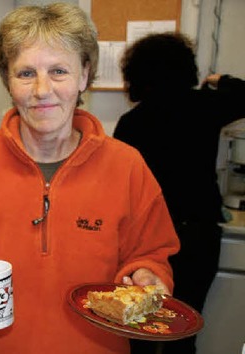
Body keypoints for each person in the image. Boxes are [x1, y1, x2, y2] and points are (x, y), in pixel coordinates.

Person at [0, 3, 180, 354]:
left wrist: (147, 276)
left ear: (84, 75)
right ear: (8, 79)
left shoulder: (127, 166)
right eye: (25, 74)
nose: (41, 90)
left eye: (59, 71)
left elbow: (153, 256)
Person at [113, 32, 245, 354]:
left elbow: (120, 187)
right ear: (186, 67)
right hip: (197, 234)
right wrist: (218, 79)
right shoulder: (206, 106)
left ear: (137, 74)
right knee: (182, 333)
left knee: (138, 330)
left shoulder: (131, 123)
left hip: (148, 242)